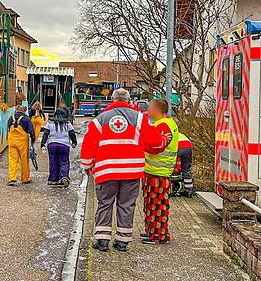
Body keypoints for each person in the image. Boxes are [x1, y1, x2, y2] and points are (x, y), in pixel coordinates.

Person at [80, 89, 170, 253]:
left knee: (105, 204)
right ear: (129, 101)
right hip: (131, 171)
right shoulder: (140, 119)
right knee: (127, 205)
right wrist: (164, 138)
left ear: (112, 100)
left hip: (106, 171)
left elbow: (89, 145)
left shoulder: (99, 120)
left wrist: (87, 166)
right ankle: (122, 241)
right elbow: (155, 142)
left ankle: (102, 240)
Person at [141, 98, 180, 245]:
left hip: (158, 173)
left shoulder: (163, 125)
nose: (148, 111)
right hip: (157, 171)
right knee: (152, 204)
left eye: (150, 108)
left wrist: (142, 145)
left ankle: (158, 236)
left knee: (157, 206)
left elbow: (155, 146)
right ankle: (152, 232)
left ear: (158, 110)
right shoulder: (165, 123)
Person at [40, 111, 77, 187]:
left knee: (53, 162)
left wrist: (42, 144)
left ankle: (53, 180)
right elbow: (72, 133)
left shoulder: (50, 123)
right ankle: (64, 176)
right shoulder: (68, 123)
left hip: (52, 145)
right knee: (64, 162)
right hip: (64, 145)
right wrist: (74, 142)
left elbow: (45, 134)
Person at [7, 105, 35, 186]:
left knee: (12, 160)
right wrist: (33, 141)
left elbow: (9, 128)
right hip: (22, 143)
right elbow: (31, 132)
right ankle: (25, 178)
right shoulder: (26, 119)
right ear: (24, 111)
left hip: (12, 142)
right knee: (24, 161)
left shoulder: (10, 118)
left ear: (17, 110)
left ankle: (12, 178)